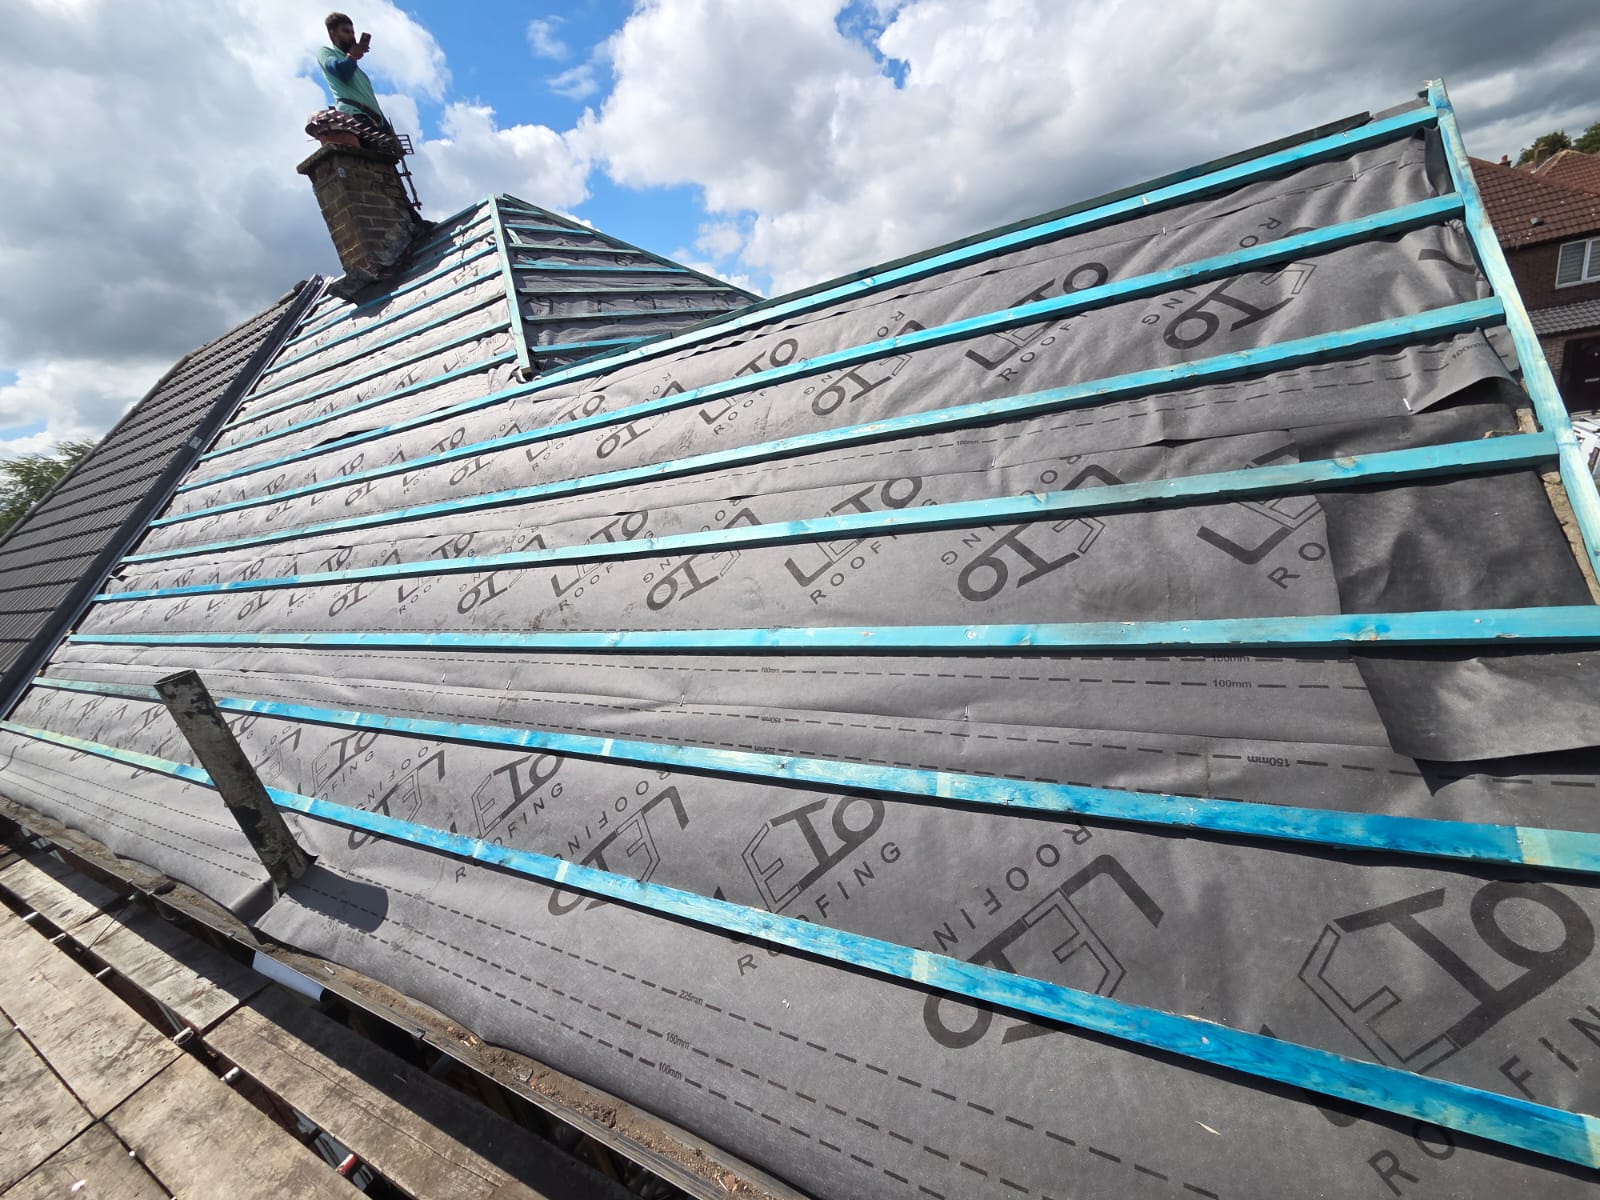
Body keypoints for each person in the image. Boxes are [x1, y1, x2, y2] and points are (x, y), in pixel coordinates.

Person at [308, 12, 402, 156]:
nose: (352, 36)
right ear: (333, 34)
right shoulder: (326, 52)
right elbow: (340, 71)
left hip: (375, 124)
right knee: (372, 161)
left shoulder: (360, 74)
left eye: (353, 32)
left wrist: (390, 133)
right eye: (346, 31)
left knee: (387, 164)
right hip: (356, 118)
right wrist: (352, 57)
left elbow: (373, 106)